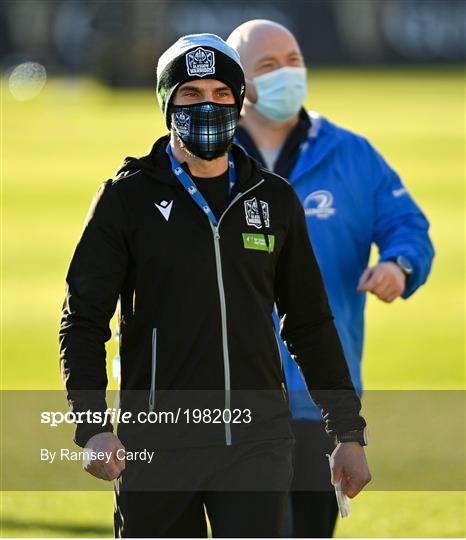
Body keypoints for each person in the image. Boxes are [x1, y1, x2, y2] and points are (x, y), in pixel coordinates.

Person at [59, 33, 371, 538]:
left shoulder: (274, 200)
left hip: (258, 444)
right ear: (167, 104)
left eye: (221, 94)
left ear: (240, 101)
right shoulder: (125, 198)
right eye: (190, 93)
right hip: (157, 444)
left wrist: (348, 433)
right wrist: (92, 426)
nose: (208, 106)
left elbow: (309, 322)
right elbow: (83, 319)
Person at [227, 20, 434, 538]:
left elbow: (409, 227)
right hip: (228, 389)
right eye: (268, 67)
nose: (287, 74)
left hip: (319, 391)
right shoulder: (209, 157)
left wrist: (399, 266)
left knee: (311, 527)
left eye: (293, 59)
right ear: (238, 83)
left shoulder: (353, 153)